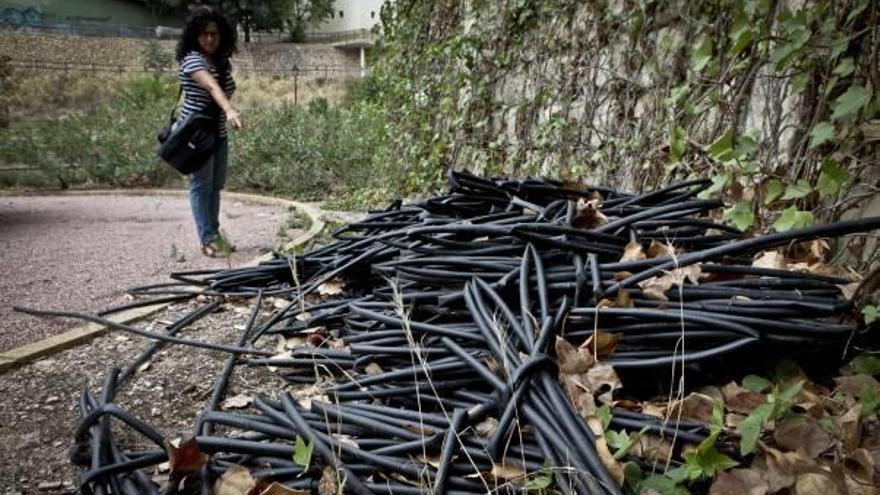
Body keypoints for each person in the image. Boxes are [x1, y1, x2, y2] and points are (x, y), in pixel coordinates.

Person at [175, 6, 242, 257]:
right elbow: (213, 88)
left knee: (215, 186)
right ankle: (207, 239)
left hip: (218, 134)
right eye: (204, 34)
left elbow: (221, 85)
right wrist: (230, 110)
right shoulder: (193, 60)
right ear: (195, 35)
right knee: (200, 186)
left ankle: (214, 234)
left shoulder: (222, 62)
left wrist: (226, 116)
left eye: (214, 33)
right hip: (196, 137)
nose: (210, 39)